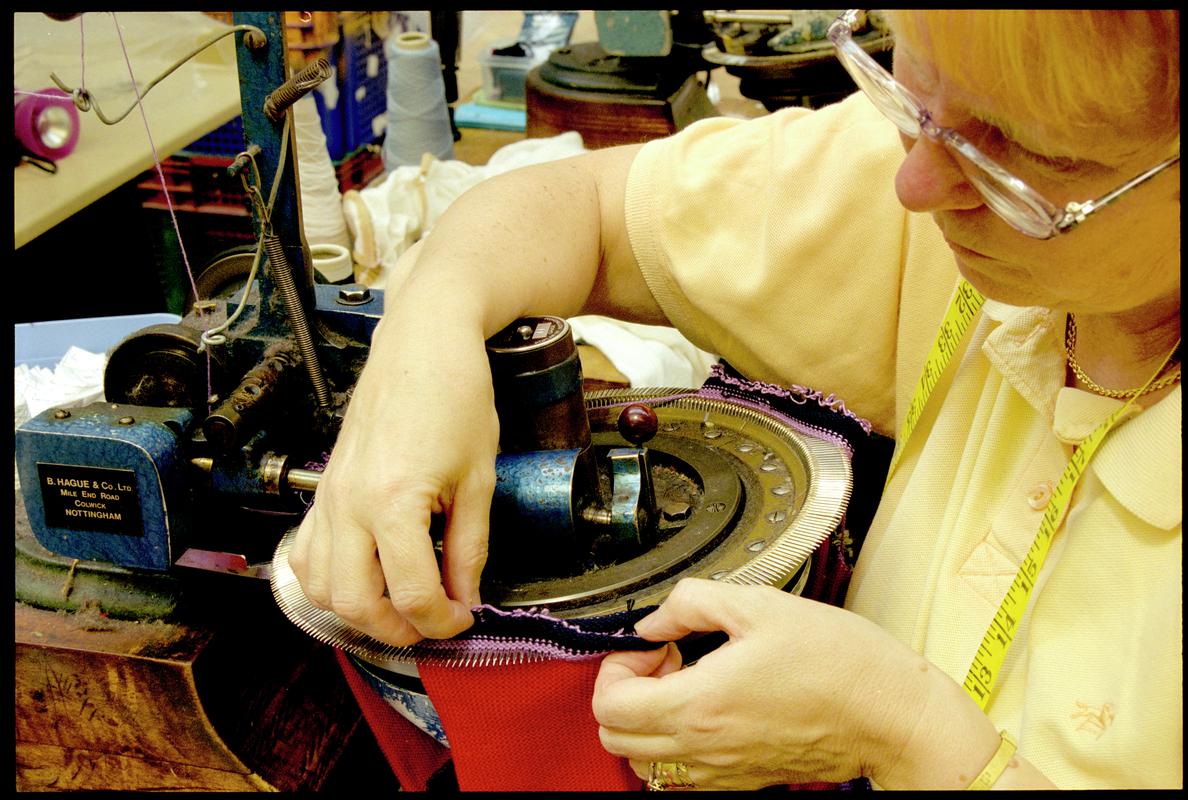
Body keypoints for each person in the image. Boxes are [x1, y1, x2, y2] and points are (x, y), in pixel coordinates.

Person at [289, 9, 1180, 790]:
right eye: (910, 84)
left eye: (1023, 160)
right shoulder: (941, 164)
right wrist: (424, 340)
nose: (916, 186)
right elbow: (583, 210)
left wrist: (902, 737)